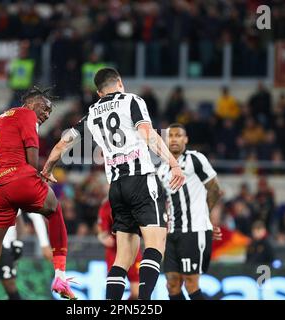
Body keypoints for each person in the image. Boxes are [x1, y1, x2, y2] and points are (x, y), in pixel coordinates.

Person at [41, 67, 185, 300]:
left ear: (98, 93)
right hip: (142, 180)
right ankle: (144, 304)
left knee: (124, 257)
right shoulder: (131, 100)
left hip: (116, 188)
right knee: (155, 246)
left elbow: (61, 144)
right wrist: (173, 163)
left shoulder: (93, 112)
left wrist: (47, 168)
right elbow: (147, 133)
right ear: (120, 82)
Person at [0, 86, 75, 300]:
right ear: (30, 103)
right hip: (19, 178)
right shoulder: (27, 115)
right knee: (55, 210)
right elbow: (32, 154)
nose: (47, 114)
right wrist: (39, 175)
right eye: (45, 107)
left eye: (49, 112)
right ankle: (60, 275)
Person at [157, 123, 223, 300]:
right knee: (171, 283)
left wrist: (204, 215)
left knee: (191, 282)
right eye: (170, 136)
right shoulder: (161, 168)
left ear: (185, 139)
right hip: (171, 233)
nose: (174, 139)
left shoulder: (195, 159)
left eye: (178, 135)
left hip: (195, 230)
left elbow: (215, 189)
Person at [97, 198, 141, 300]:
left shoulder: (137, 199)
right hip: (114, 252)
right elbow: (101, 230)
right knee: (114, 290)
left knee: (136, 292)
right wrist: (104, 238)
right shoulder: (108, 204)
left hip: (133, 249)